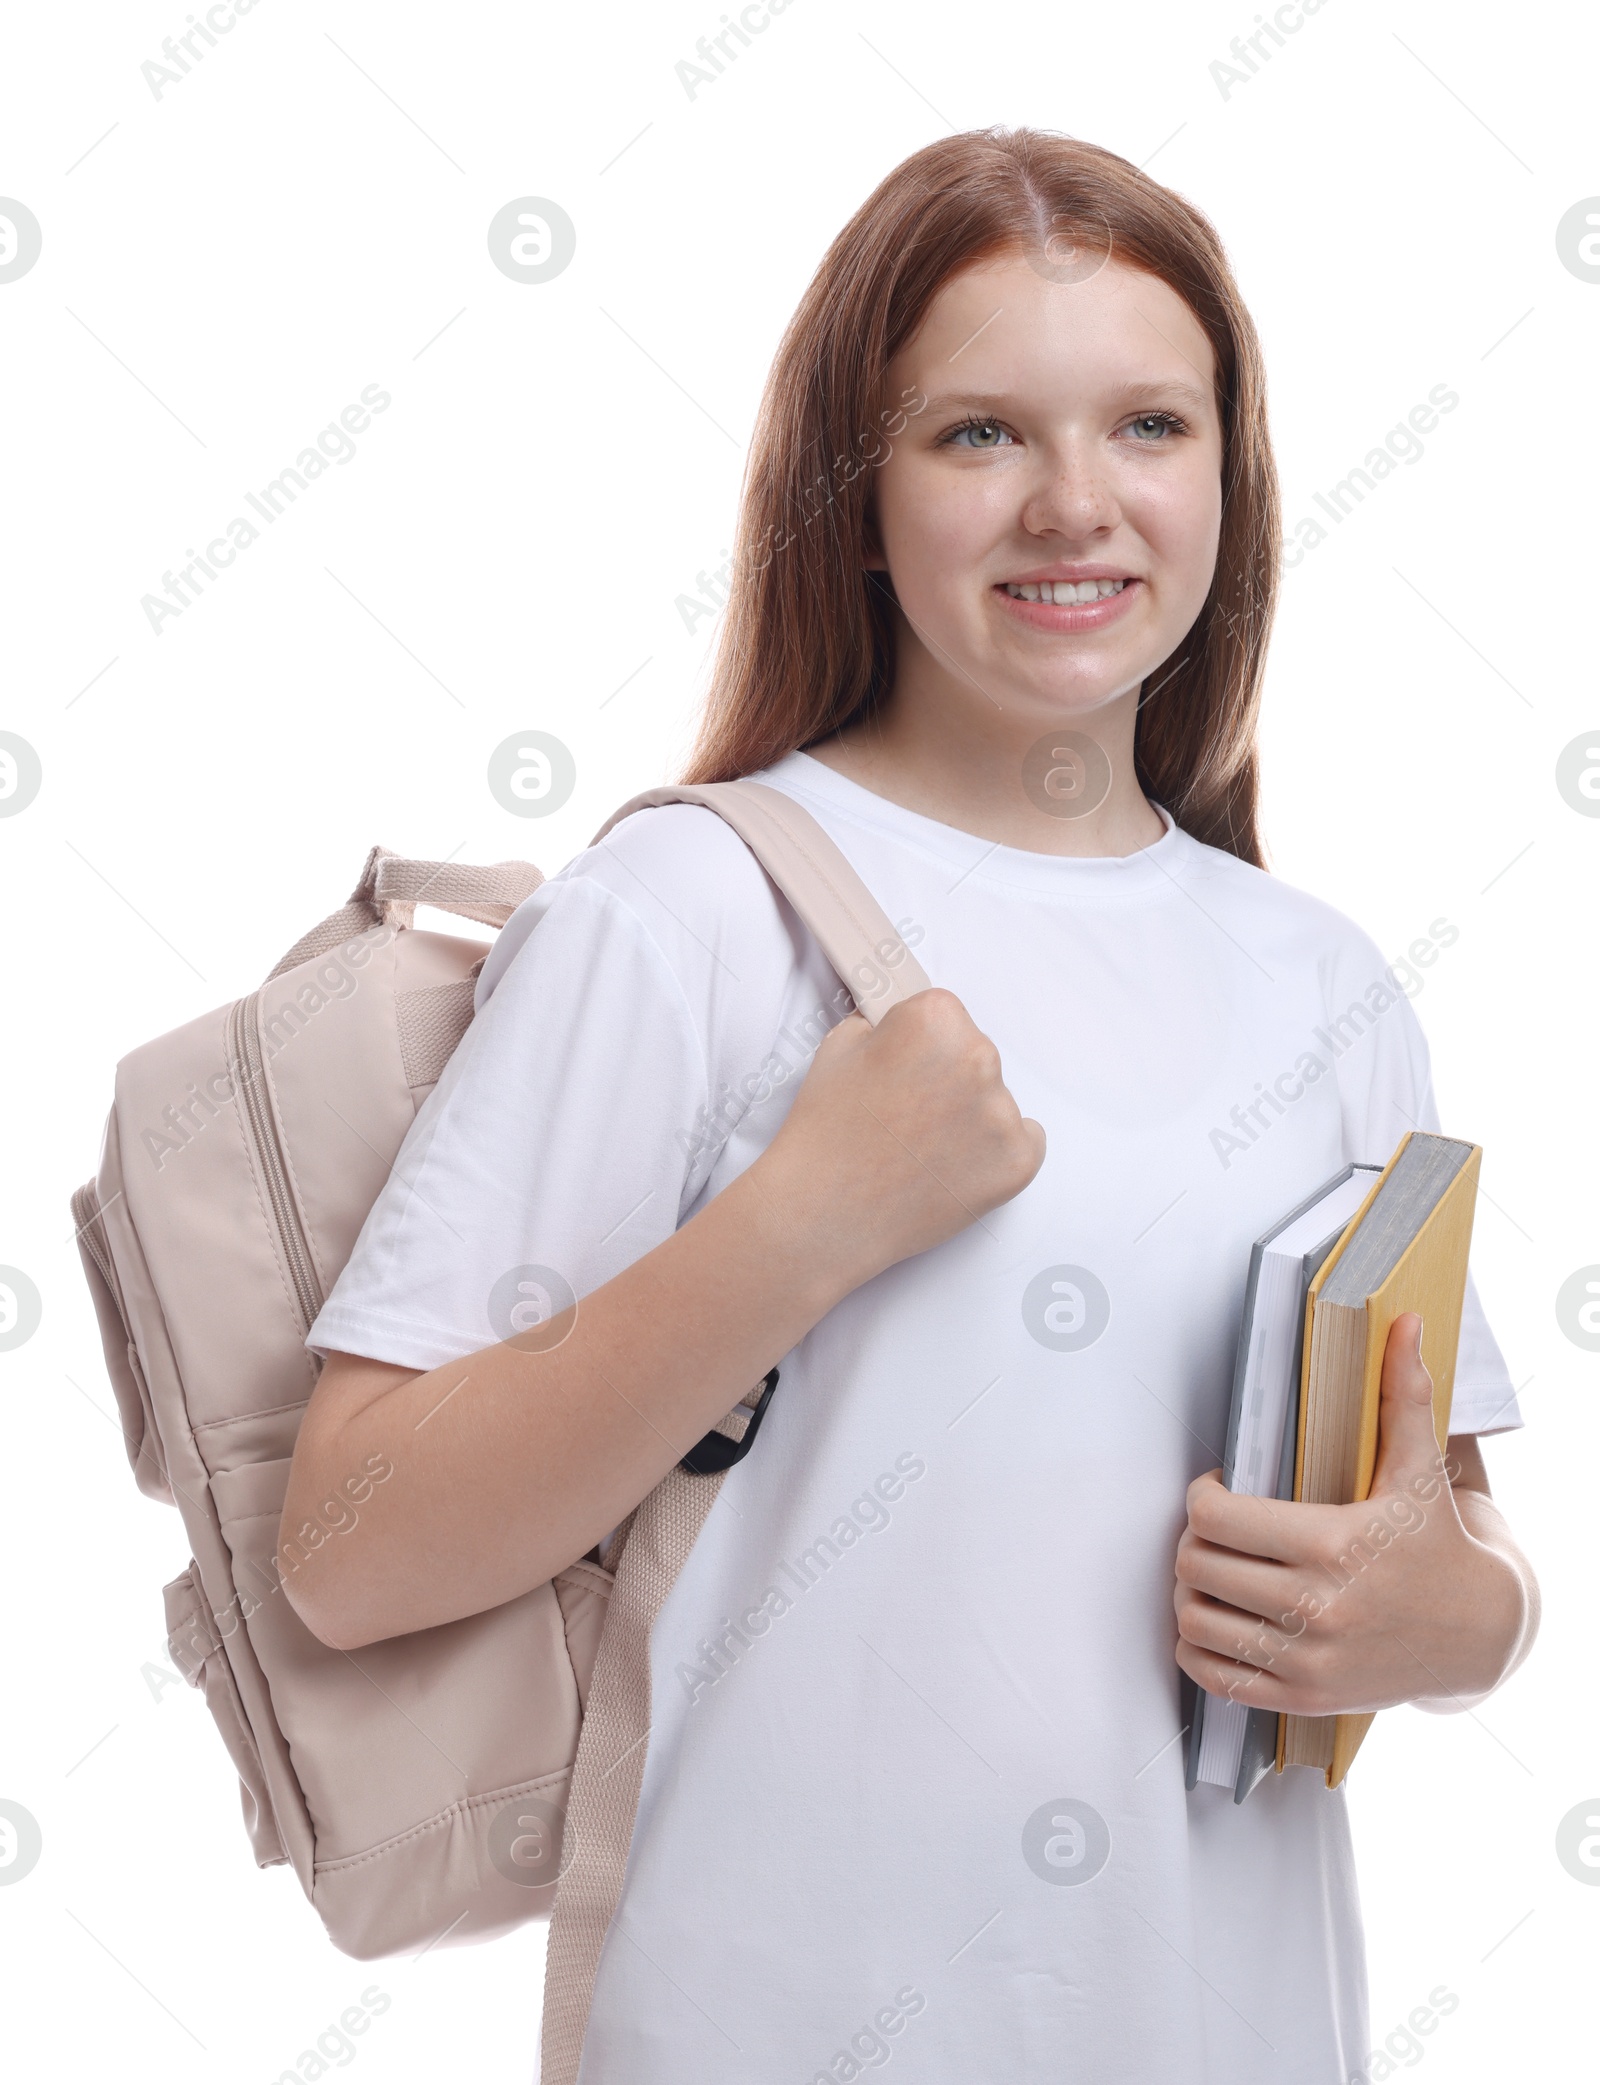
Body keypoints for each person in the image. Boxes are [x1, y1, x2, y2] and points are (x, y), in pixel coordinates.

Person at [281, 127, 1539, 2082]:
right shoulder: (690, 908)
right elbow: (352, 1542)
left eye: (1145, 424)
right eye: (974, 435)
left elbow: (1444, 1537)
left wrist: (1449, 1617)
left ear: (1229, 476)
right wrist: (795, 1223)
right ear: (854, 501)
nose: (1073, 504)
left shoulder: (1320, 983)